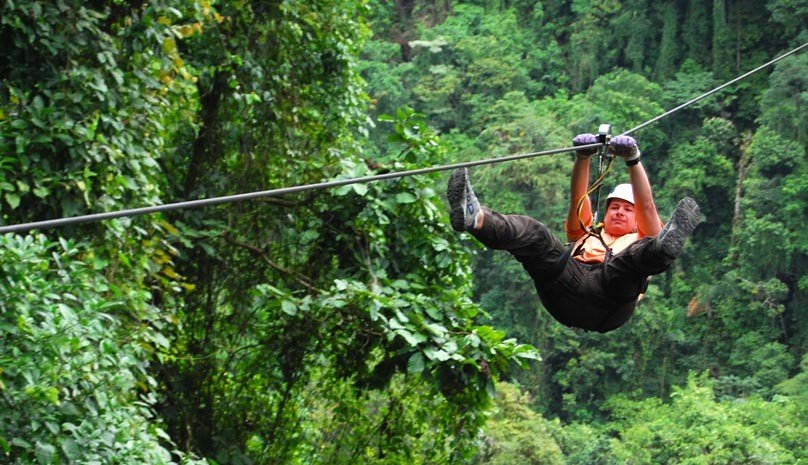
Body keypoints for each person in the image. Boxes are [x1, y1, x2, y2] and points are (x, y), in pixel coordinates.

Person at [447, 134, 701, 333]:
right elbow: (578, 198)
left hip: (610, 300)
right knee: (536, 235)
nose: (619, 212)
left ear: (637, 220)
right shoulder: (586, 234)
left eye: (627, 209)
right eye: (614, 207)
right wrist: (583, 158)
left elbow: (646, 205)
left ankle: (663, 250)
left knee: (633, 258)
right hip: (567, 287)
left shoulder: (642, 236)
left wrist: (633, 160)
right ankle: (476, 218)